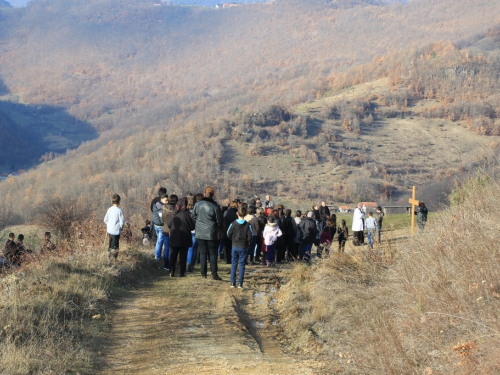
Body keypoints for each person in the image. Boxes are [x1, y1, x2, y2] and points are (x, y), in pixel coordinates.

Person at [192, 186, 223, 280]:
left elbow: (193, 216)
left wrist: (198, 223)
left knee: (202, 253)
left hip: (200, 232)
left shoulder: (197, 204)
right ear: (212, 195)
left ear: (205, 193)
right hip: (211, 232)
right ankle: (214, 273)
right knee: (213, 253)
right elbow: (219, 221)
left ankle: (203, 273)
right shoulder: (215, 206)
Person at [167, 197, 195, 277]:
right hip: (185, 237)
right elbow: (192, 226)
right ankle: (181, 272)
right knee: (183, 256)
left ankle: (171, 271)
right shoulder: (188, 214)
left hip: (174, 236)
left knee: (173, 255)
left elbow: (168, 225)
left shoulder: (173, 213)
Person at [227, 205, 253, 288]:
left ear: (237, 213)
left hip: (234, 245)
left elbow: (228, 234)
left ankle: (232, 283)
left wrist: (233, 239)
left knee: (234, 264)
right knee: (242, 265)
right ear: (245, 214)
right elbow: (250, 236)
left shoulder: (233, 224)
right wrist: (247, 243)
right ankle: (240, 284)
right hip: (243, 247)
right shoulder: (248, 225)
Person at [104, 194, 125, 260]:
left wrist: (109, 224)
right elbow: (122, 223)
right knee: (115, 247)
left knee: (110, 244)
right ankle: (113, 259)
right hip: (116, 232)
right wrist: (121, 229)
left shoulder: (109, 209)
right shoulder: (119, 211)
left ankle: (108, 256)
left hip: (109, 230)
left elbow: (105, 219)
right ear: (119, 202)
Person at [162, 194, 178, 270]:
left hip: (165, 229)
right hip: (172, 230)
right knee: (171, 249)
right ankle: (171, 265)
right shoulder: (175, 209)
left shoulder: (164, 208)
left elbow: (163, 219)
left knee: (166, 248)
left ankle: (166, 265)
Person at [152, 192, 168, 261]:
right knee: (160, 241)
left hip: (156, 225)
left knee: (159, 240)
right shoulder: (161, 207)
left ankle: (158, 255)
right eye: (166, 200)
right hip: (160, 226)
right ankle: (157, 256)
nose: (167, 202)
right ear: (162, 199)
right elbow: (162, 218)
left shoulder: (156, 204)